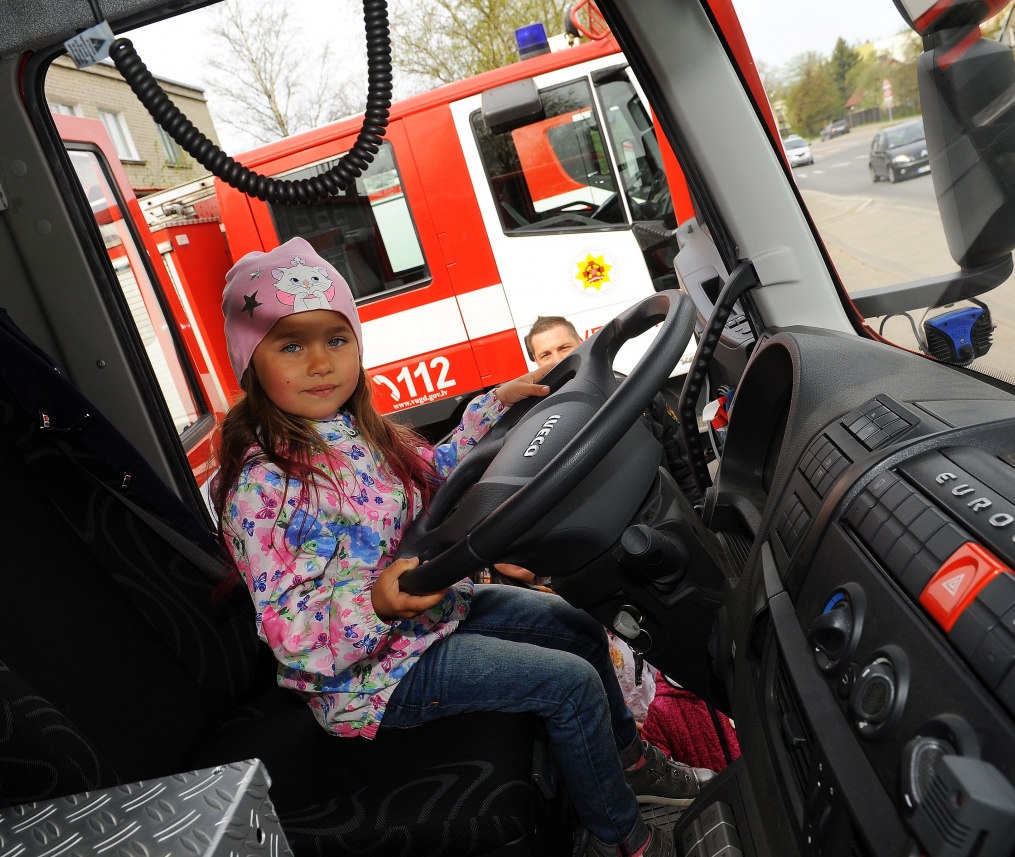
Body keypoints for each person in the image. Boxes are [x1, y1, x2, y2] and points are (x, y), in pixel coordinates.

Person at [213, 238, 711, 857]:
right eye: (292, 346)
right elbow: (291, 631)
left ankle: (632, 765)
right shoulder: (262, 487)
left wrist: (495, 407)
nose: (321, 363)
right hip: (369, 677)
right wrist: (375, 605)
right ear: (250, 363)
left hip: (430, 618)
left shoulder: (353, 433)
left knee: (574, 623)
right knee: (570, 683)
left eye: (336, 340)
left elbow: (440, 482)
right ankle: (624, 840)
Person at [525, 316, 703, 506]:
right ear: (536, 361)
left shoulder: (635, 390)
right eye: (546, 355)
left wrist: (696, 509)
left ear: (581, 343)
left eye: (564, 348)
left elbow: (680, 461)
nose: (558, 360)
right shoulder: (536, 425)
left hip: (662, 510)